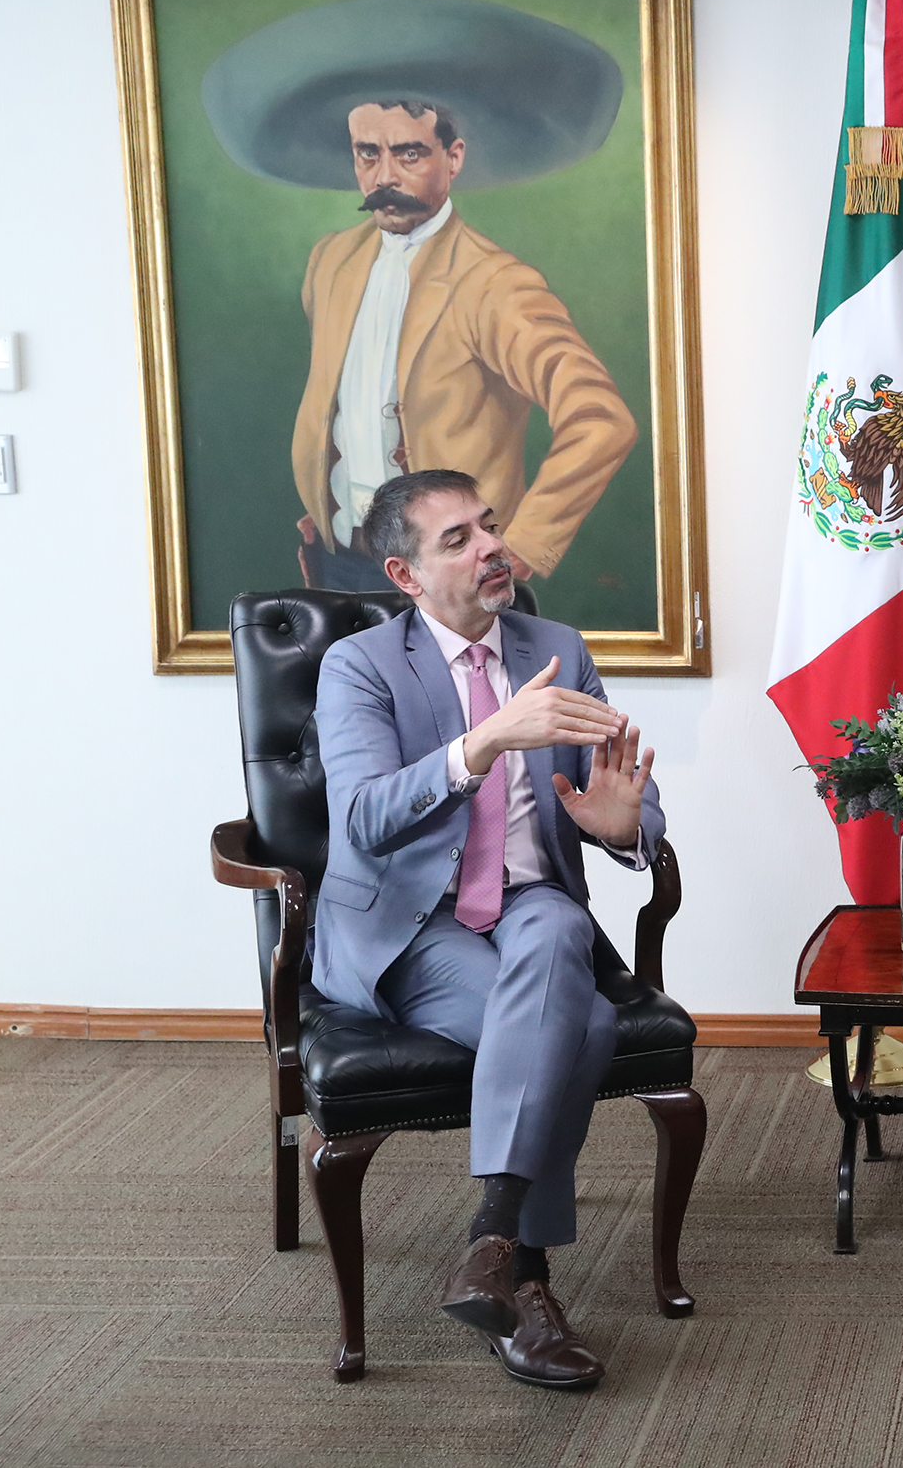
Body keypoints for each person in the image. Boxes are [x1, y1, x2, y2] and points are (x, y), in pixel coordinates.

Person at [311, 468, 664, 1389]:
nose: (491, 546)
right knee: (582, 1024)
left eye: (490, 525)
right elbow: (362, 820)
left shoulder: (558, 647)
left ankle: (490, 1239)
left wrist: (621, 827)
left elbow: (628, 791)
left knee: (554, 927)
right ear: (406, 574)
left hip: (532, 904)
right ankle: (528, 1275)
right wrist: (487, 740)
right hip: (411, 925)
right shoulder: (361, 666)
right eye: (458, 538)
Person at [288, 99, 639, 591]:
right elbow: (343, 400)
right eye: (368, 153)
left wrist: (526, 543)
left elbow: (600, 418)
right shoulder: (330, 260)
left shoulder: (495, 283)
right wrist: (326, 501)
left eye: (409, 154)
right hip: (339, 561)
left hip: (451, 580)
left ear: (453, 158)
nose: (384, 176)